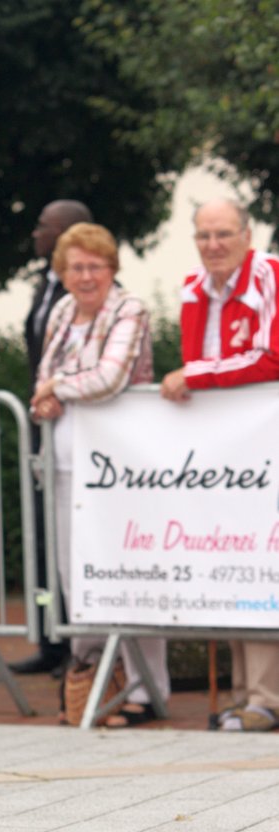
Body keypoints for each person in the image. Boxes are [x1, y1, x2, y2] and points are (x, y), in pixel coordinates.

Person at [32, 222, 170, 726]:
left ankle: (146, 689)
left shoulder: (129, 308)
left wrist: (57, 387)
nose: (85, 276)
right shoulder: (62, 311)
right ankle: (90, 680)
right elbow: (43, 378)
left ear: (112, 269)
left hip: (119, 465)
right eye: (76, 267)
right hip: (65, 463)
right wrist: (48, 398)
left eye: (95, 266)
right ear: (62, 272)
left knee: (128, 570)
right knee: (76, 575)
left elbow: (111, 377)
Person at [161, 197, 279, 732]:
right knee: (231, 562)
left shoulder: (268, 275)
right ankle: (243, 695)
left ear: (247, 235)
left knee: (260, 561)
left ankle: (265, 697)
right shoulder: (193, 287)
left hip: (264, 447)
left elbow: (269, 357)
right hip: (226, 452)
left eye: (224, 234)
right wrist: (197, 377)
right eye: (204, 235)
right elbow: (198, 362)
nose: (213, 245)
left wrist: (197, 377)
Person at [11, 198, 93, 679]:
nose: (36, 233)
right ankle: (51, 639)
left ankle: (78, 646)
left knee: (72, 536)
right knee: (44, 536)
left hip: (75, 428)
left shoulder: (84, 290)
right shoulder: (45, 285)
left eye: (45, 226)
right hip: (43, 420)